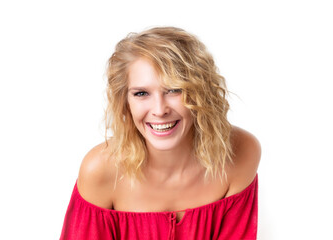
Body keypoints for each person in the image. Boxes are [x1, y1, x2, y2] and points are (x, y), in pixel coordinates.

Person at [60, 27, 261, 240]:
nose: (159, 109)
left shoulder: (241, 152)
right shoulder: (100, 170)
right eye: (141, 93)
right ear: (125, 102)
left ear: (202, 94)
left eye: (174, 89)